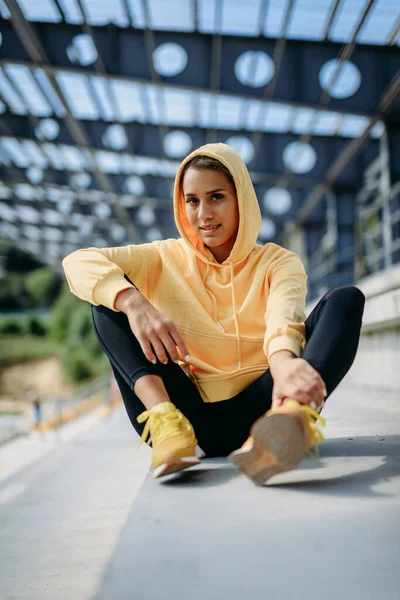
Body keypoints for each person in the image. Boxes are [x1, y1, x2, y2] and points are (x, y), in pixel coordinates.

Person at [62, 143, 365, 485]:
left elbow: (285, 317)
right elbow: (76, 261)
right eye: (192, 200)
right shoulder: (162, 257)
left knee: (345, 299)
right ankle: (167, 427)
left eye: (216, 197)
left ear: (241, 200)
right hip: (188, 413)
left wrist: (283, 364)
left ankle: (290, 422)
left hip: (266, 404)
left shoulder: (277, 262)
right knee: (107, 299)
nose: (203, 214)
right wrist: (134, 302)